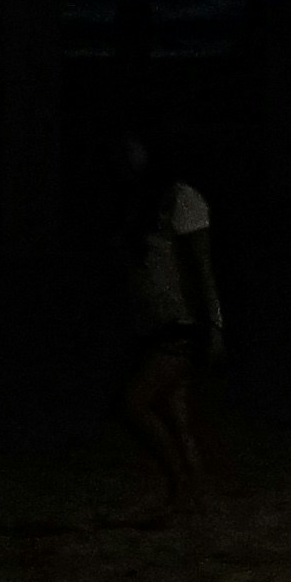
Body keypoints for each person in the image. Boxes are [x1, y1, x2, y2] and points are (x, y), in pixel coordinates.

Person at [110, 141, 228, 501]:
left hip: (181, 323)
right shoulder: (145, 202)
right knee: (176, 416)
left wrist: (214, 326)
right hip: (157, 322)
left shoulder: (182, 199)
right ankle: (194, 494)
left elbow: (202, 268)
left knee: (136, 405)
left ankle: (180, 482)